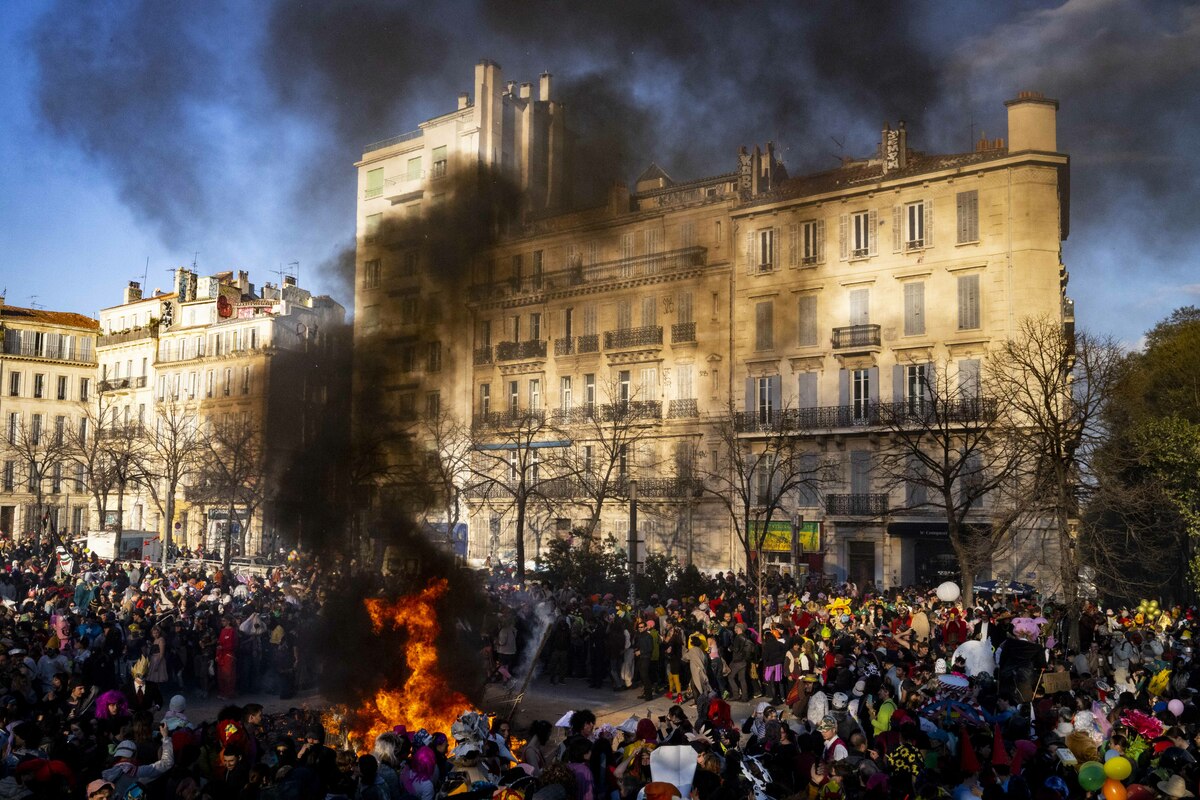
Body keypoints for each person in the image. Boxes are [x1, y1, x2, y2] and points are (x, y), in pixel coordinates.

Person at [216, 616, 238, 699]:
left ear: (228, 621)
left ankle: (228, 693)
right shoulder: (222, 630)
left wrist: (224, 648)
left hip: (229, 656)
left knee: (229, 676)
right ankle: (222, 692)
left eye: (224, 620)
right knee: (221, 675)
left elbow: (234, 645)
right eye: (222, 621)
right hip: (221, 656)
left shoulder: (232, 631)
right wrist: (217, 655)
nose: (222, 622)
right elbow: (219, 643)